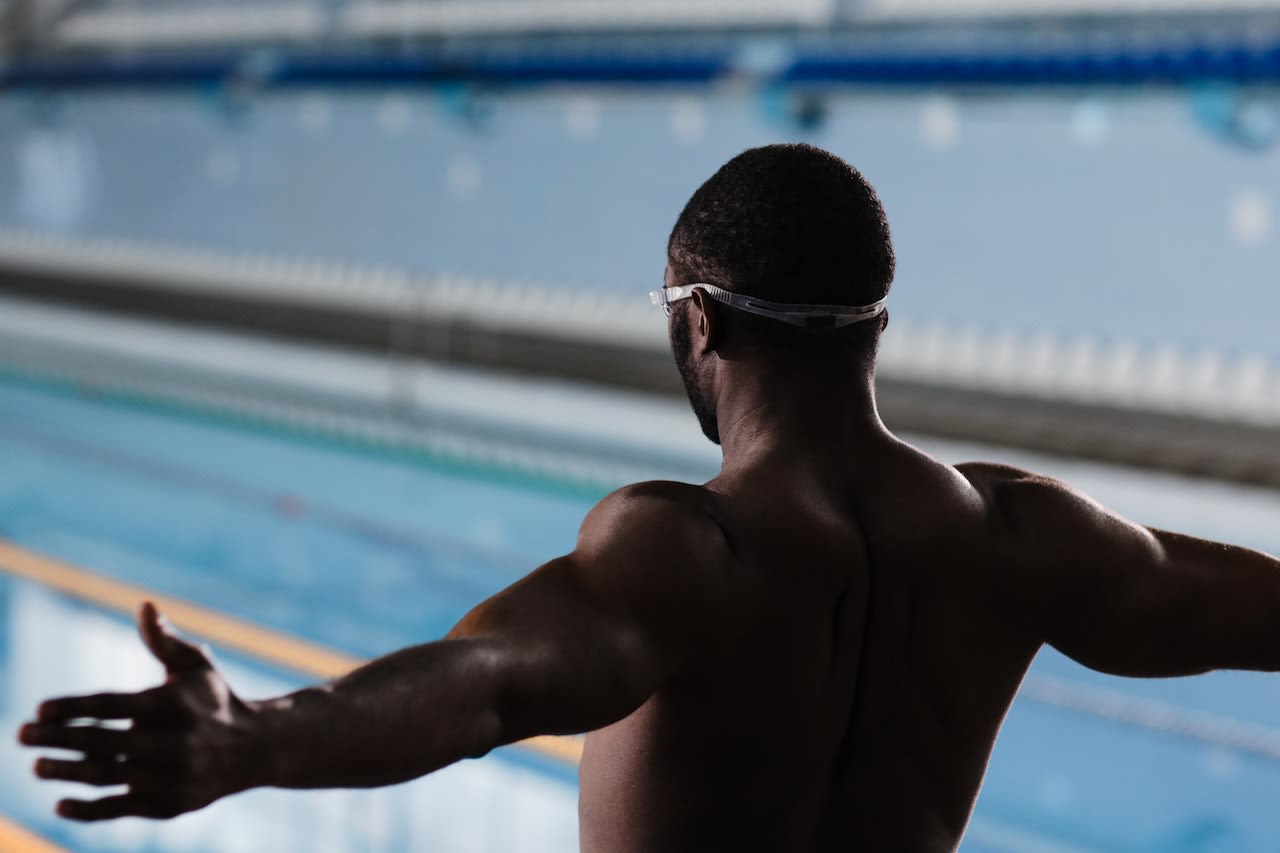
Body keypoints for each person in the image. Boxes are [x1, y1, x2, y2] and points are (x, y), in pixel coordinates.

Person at [18, 143, 1280, 852]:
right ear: (873, 329)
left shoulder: (694, 550)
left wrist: (259, 738)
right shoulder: (1023, 537)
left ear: (701, 321)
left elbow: (494, 682)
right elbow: (1240, 612)